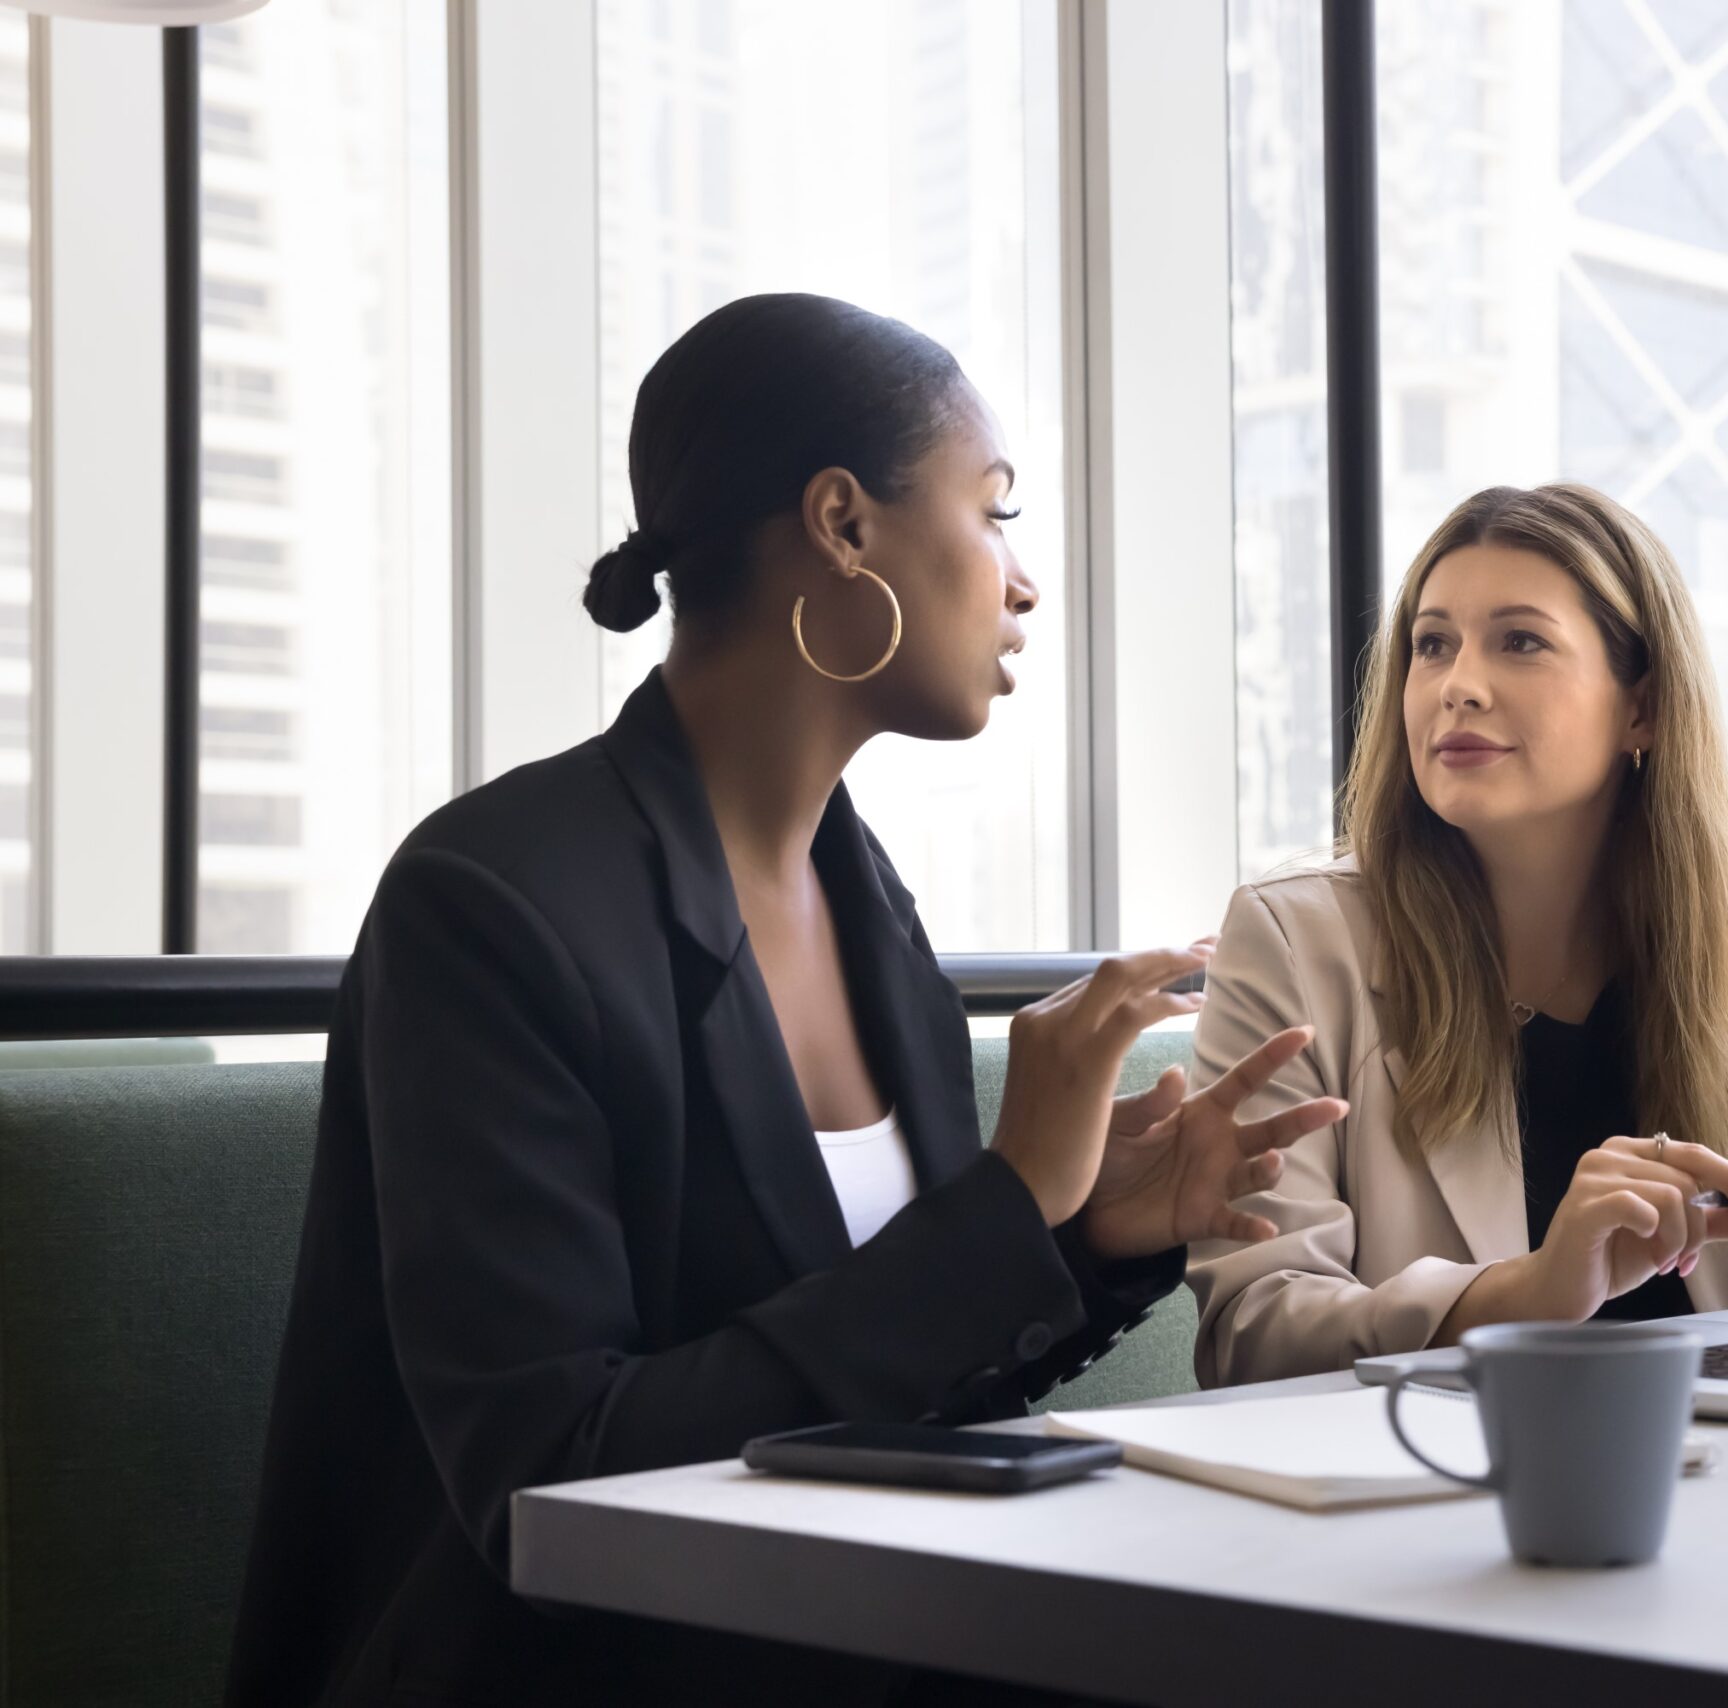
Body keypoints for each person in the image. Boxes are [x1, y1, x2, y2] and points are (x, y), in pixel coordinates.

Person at [225, 293, 1344, 1708]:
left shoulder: (867, 906)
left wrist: (1084, 1235)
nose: (1020, 579)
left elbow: (887, 1396)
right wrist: (1001, 1209)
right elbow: (554, 1482)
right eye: (993, 512)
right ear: (842, 523)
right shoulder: (490, 904)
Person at [1187, 483, 1728, 1387]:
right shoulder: (1294, 941)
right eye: (1432, 645)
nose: (1458, 687)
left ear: (1641, 708)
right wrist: (1528, 1293)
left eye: (1519, 642)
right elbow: (1250, 1335)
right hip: (1445, 1492)